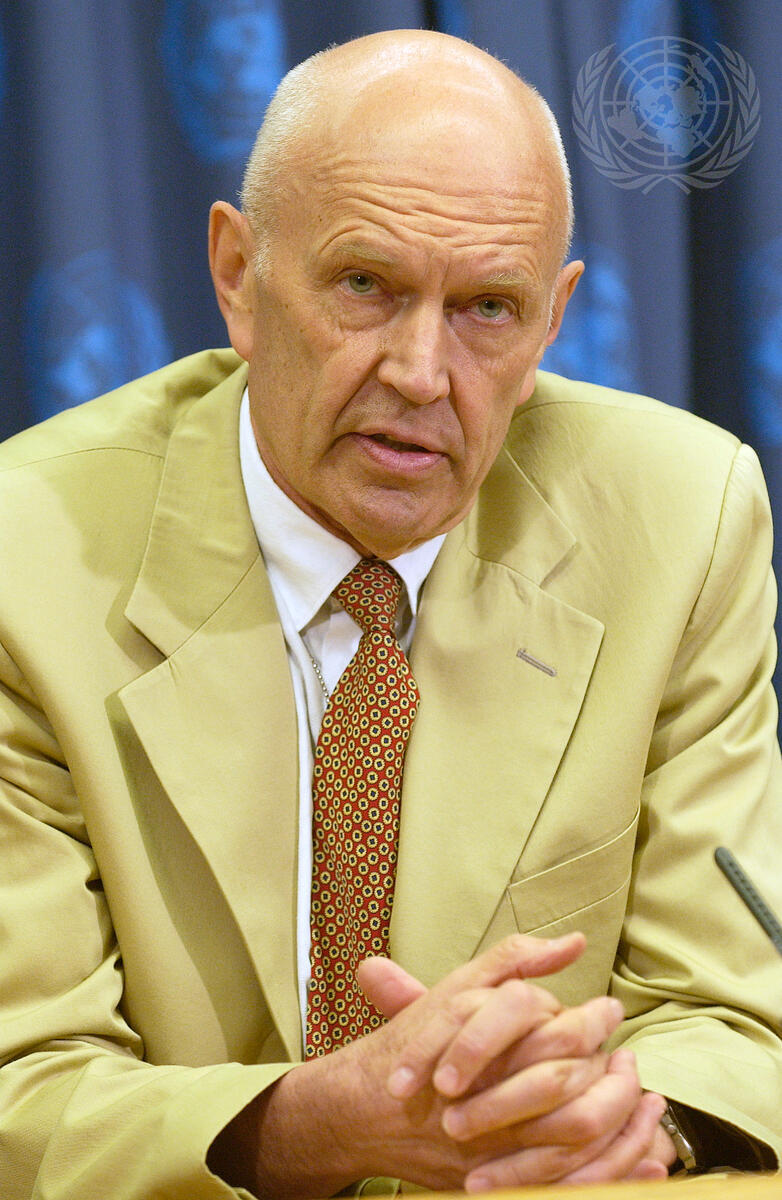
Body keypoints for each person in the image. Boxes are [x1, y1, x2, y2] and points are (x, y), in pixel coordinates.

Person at [1, 28, 781, 1200]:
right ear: (237, 274)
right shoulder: (24, 560)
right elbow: (24, 1085)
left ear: (552, 320)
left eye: (487, 308)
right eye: (365, 286)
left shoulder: (678, 520)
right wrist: (323, 1128)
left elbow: (732, 1010)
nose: (420, 372)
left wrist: (625, 1123)